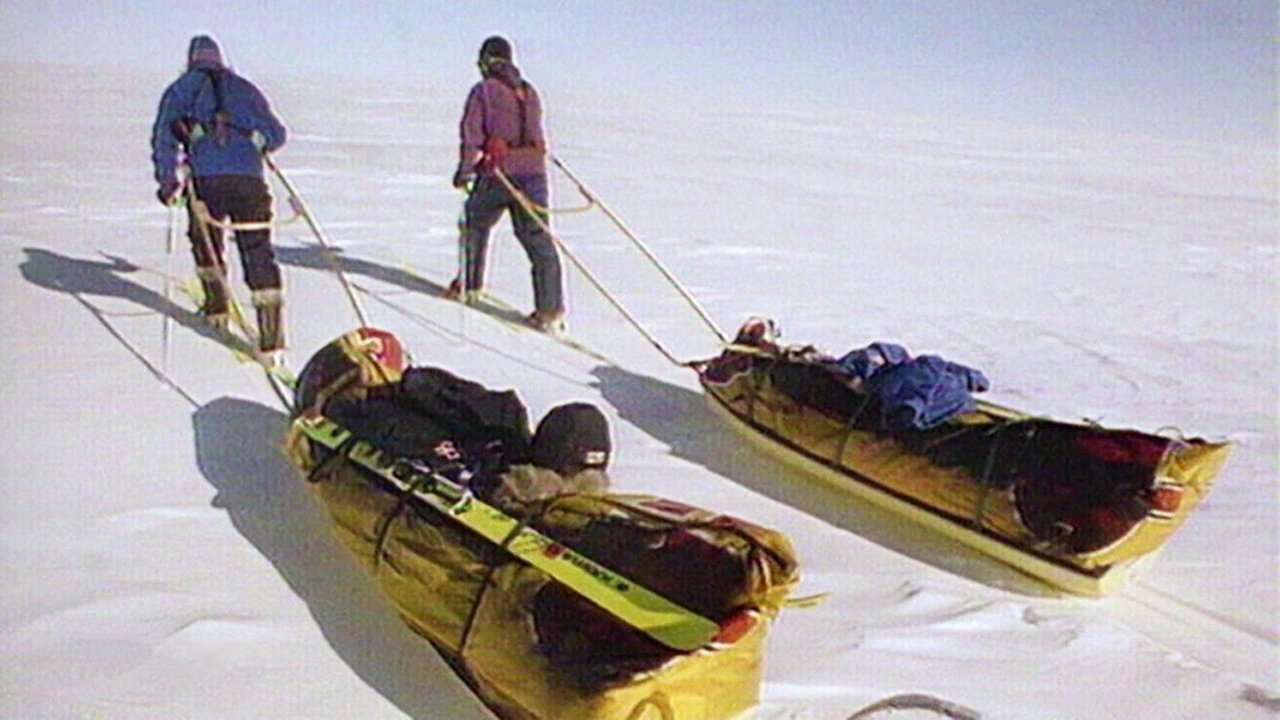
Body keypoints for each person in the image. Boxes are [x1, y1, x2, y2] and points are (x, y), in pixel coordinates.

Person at [150, 34, 289, 353]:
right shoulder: (245, 88)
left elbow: (163, 139)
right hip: (249, 181)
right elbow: (277, 134)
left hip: (206, 180)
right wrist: (256, 141)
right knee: (257, 248)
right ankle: (272, 336)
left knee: (206, 240)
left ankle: (217, 309)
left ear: (191, 60)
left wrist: (168, 183)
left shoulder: (181, 89)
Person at [447, 35, 565, 332]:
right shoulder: (529, 92)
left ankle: (469, 285)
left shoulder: (484, 91)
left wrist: (464, 171)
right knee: (537, 237)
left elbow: (471, 136)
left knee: (474, 221)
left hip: (499, 174)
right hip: (534, 174)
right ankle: (549, 310)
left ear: (487, 61)